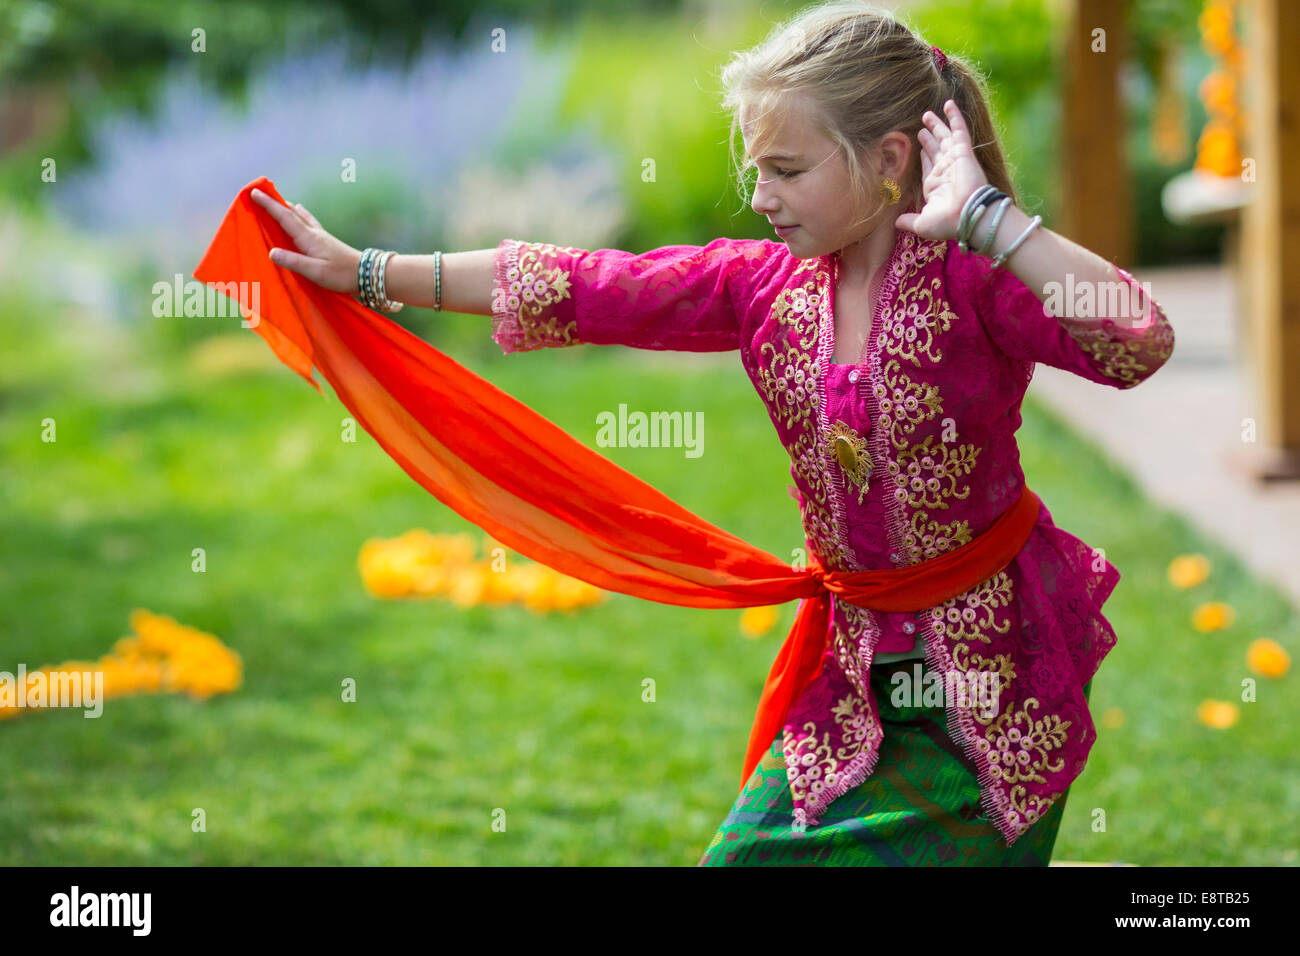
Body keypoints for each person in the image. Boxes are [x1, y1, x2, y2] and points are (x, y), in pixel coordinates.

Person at [248, 1, 1174, 865]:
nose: (762, 197)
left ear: (891, 160)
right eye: (756, 170)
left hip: (992, 689)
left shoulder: (978, 282)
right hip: (852, 689)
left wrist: (988, 219)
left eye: (788, 169)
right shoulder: (760, 289)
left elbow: (1138, 341)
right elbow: (577, 282)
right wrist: (368, 272)